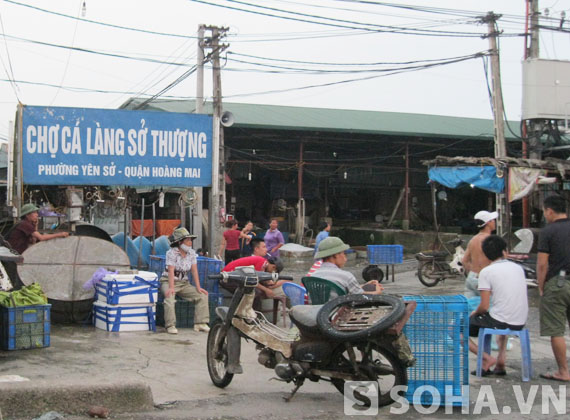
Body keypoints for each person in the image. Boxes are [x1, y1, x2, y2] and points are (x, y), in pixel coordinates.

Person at [467, 235, 528, 376]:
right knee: (499, 315)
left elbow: (484, 306)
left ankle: (486, 358)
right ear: (504, 252)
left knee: (456, 328)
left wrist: (474, 313)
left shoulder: (486, 272)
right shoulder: (518, 268)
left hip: (501, 320)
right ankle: (501, 362)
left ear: (486, 255)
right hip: (520, 321)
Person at [537, 195, 570, 382]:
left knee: (556, 330)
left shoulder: (548, 231)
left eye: (544, 212)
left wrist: (542, 288)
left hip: (558, 283)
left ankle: (564, 371)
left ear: (549, 211)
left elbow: (542, 264)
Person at [5, 203, 69, 290]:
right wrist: (60, 234)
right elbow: (41, 237)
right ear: (27, 215)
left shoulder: (26, 225)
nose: (37, 215)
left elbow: (33, 241)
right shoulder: (24, 224)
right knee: (15, 280)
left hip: (16, 256)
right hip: (12, 257)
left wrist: (35, 225)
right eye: (34, 213)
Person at [161, 227, 210, 334]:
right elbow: (170, 270)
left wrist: (198, 287)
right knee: (169, 298)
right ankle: (170, 325)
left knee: (202, 295)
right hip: (168, 281)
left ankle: (200, 323)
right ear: (180, 242)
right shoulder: (171, 253)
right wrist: (171, 287)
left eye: (190, 240)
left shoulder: (192, 253)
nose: (190, 243)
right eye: (187, 240)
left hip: (184, 283)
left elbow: (194, 270)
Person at [311, 237, 383, 295]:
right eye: (343, 253)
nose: (345, 257)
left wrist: (365, 285)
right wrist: (377, 292)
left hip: (317, 309)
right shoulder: (345, 276)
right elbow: (359, 296)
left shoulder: (313, 276)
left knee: (370, 287)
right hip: (337, 309)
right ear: (336, 255)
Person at [462, 210, 497, 298]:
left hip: (471, 277)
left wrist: (474, 272)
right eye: (493, 220)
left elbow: (464, 261)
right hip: (484, 280)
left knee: (471, 308)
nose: (494, 222)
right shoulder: (491, 241)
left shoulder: (473, 239)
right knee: (488, 308)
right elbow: (498, 261)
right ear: (488, 223)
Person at [222, 255, 287, 299]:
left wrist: (268, 284)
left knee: (257, 291)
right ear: (273, 267)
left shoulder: (263, 263)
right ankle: (252, 315)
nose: (271, 273)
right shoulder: (262, 264)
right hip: (228, 278)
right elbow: (253, 281)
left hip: (234, 277)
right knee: (255, 293)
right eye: (273, 271)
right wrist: (266, 290)